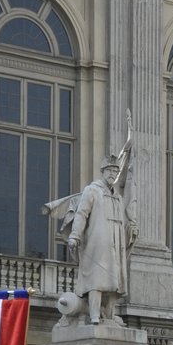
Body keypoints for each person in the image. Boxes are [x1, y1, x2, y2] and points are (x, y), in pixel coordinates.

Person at [47, 136, 136, 326]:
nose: (113, 174)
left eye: (115, 171)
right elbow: (81, 214)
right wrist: (75, 235)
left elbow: (123, 221)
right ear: (103, 172)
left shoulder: (118, 198)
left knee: (114, 282)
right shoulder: (92, 190)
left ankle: (109, 315)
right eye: (110, 170)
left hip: (115, 244)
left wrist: (131, 230)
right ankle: (94, 314)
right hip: (96, 243)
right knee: (96, 280)